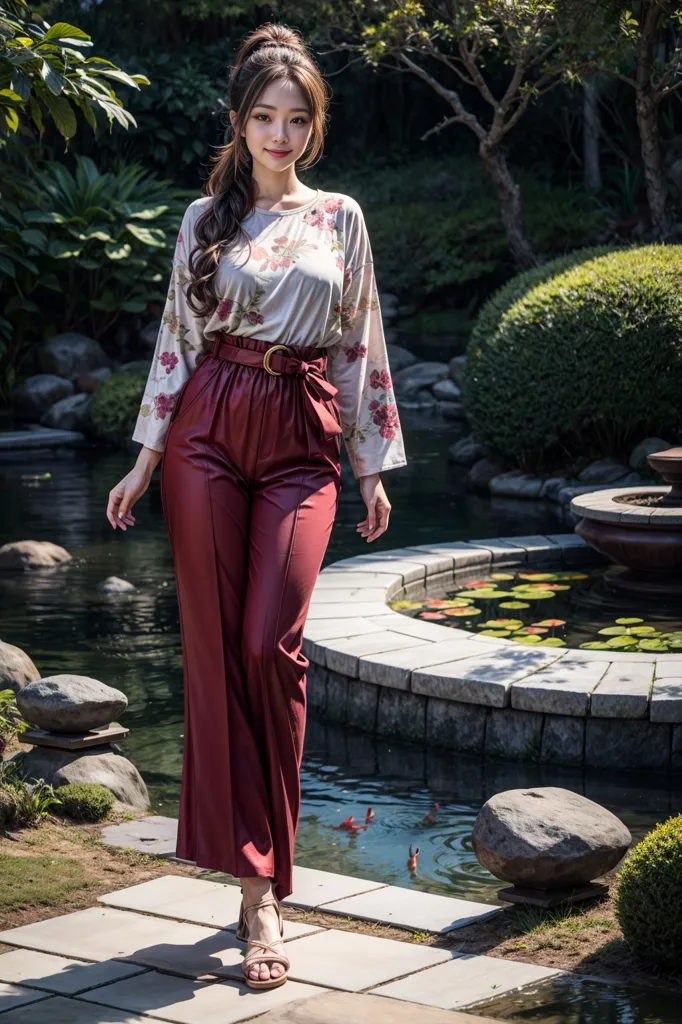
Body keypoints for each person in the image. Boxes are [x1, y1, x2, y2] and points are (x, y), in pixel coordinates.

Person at [105, 22, 407, 991]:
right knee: (213, 647)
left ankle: (266, 867)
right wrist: (145, 457)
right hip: (205, 428)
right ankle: (256, 890)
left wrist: (370, 465)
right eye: (264, 117)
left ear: (313, 127)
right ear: (238, 123)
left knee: (267, 644)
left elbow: (361, 344)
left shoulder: (341, 217)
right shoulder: (205, 220)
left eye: (297, 119)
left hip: (300, 434)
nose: (281, 134)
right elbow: (175, 338)